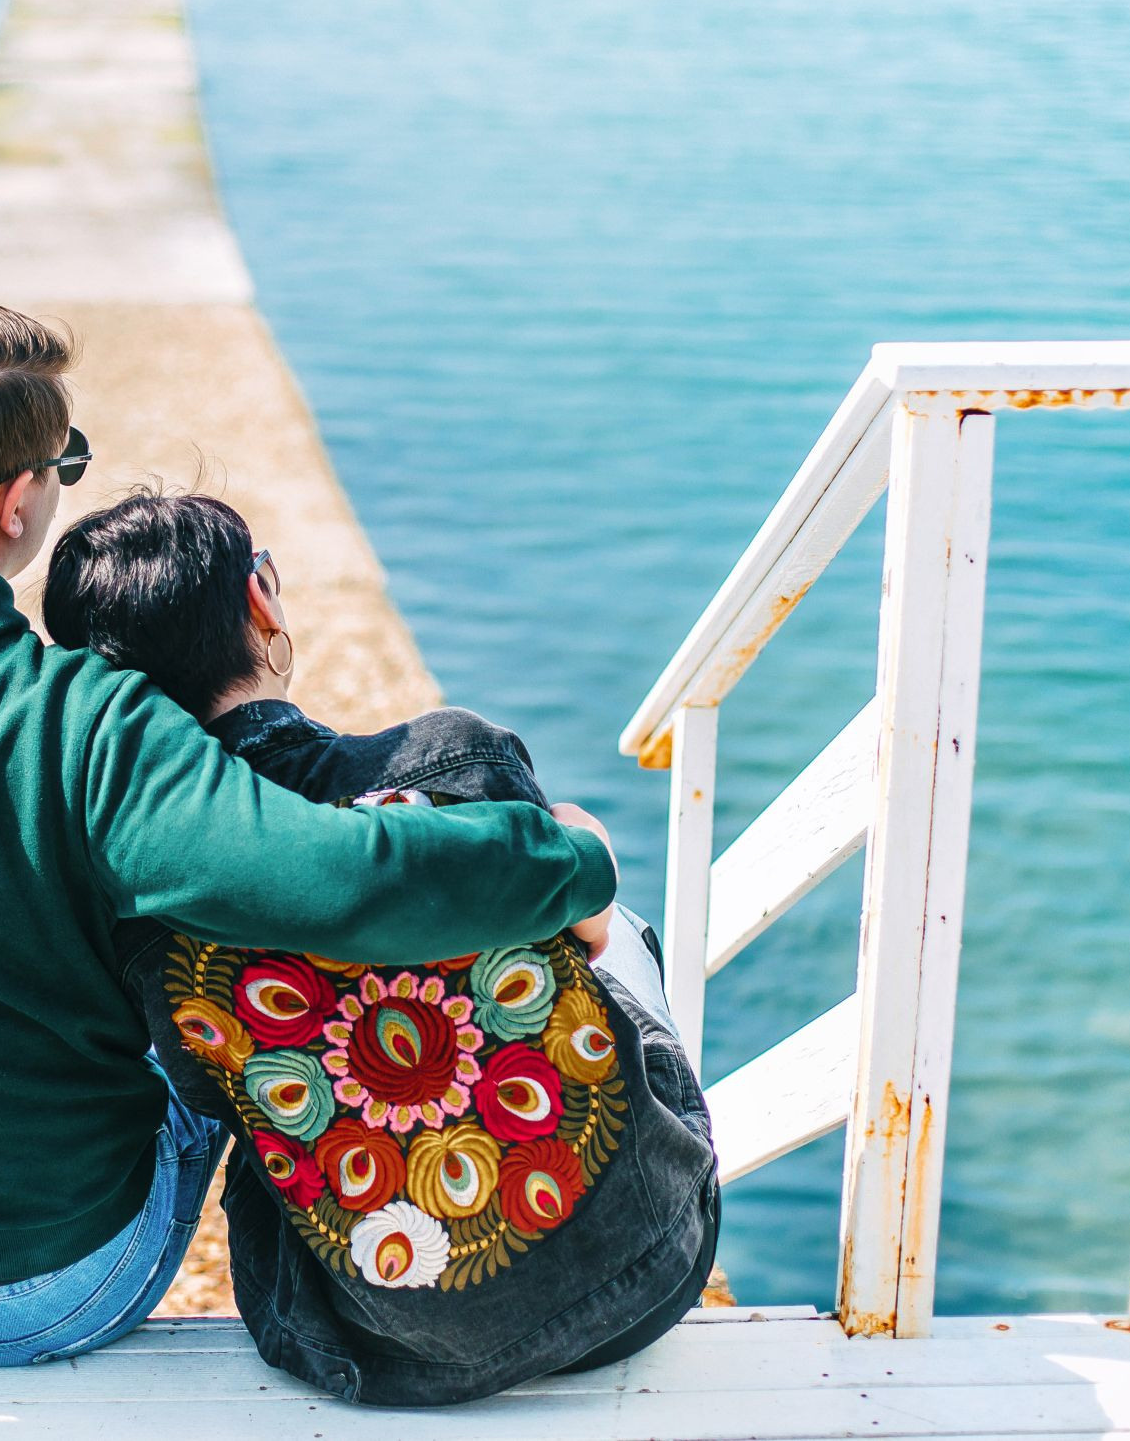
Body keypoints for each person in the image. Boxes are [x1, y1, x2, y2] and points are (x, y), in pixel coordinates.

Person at [0, 300, 620, 1369]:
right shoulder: (78, 717)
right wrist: (570, 861)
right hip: (54, 1280)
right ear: (18, 502)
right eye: (67, 463)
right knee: (213, 1000)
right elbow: (337, 879)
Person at [43, 489, 721, 1406]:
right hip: (646, 1274)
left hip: (375, 1350)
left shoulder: (138, 891)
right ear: (263, 602)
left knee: (228, 1077)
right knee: (621, 929)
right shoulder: (455, 756)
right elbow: (588, 928)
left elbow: (207, 1093)